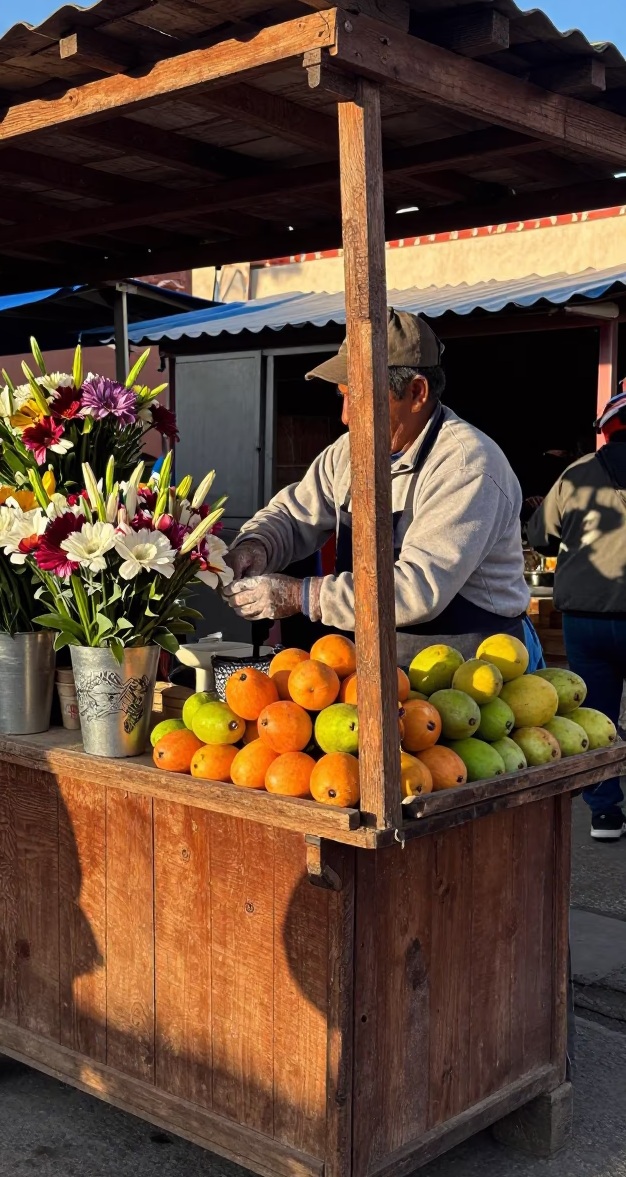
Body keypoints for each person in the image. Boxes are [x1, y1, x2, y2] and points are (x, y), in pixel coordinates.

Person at [222, 309, 536, 670]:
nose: (344, 416)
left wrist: (298, 595)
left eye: (357, 397)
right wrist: (256, 546)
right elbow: (294, 515)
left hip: (470, 671)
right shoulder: (348, 452)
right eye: (341, 396)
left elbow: (417, 589)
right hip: (375, 664)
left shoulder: (467, 465)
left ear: (417, 392)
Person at [528, 390, 626, 841]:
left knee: (597, 714)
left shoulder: (576, 474)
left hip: (585, 620)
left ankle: (604, 813)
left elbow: (542, 537)